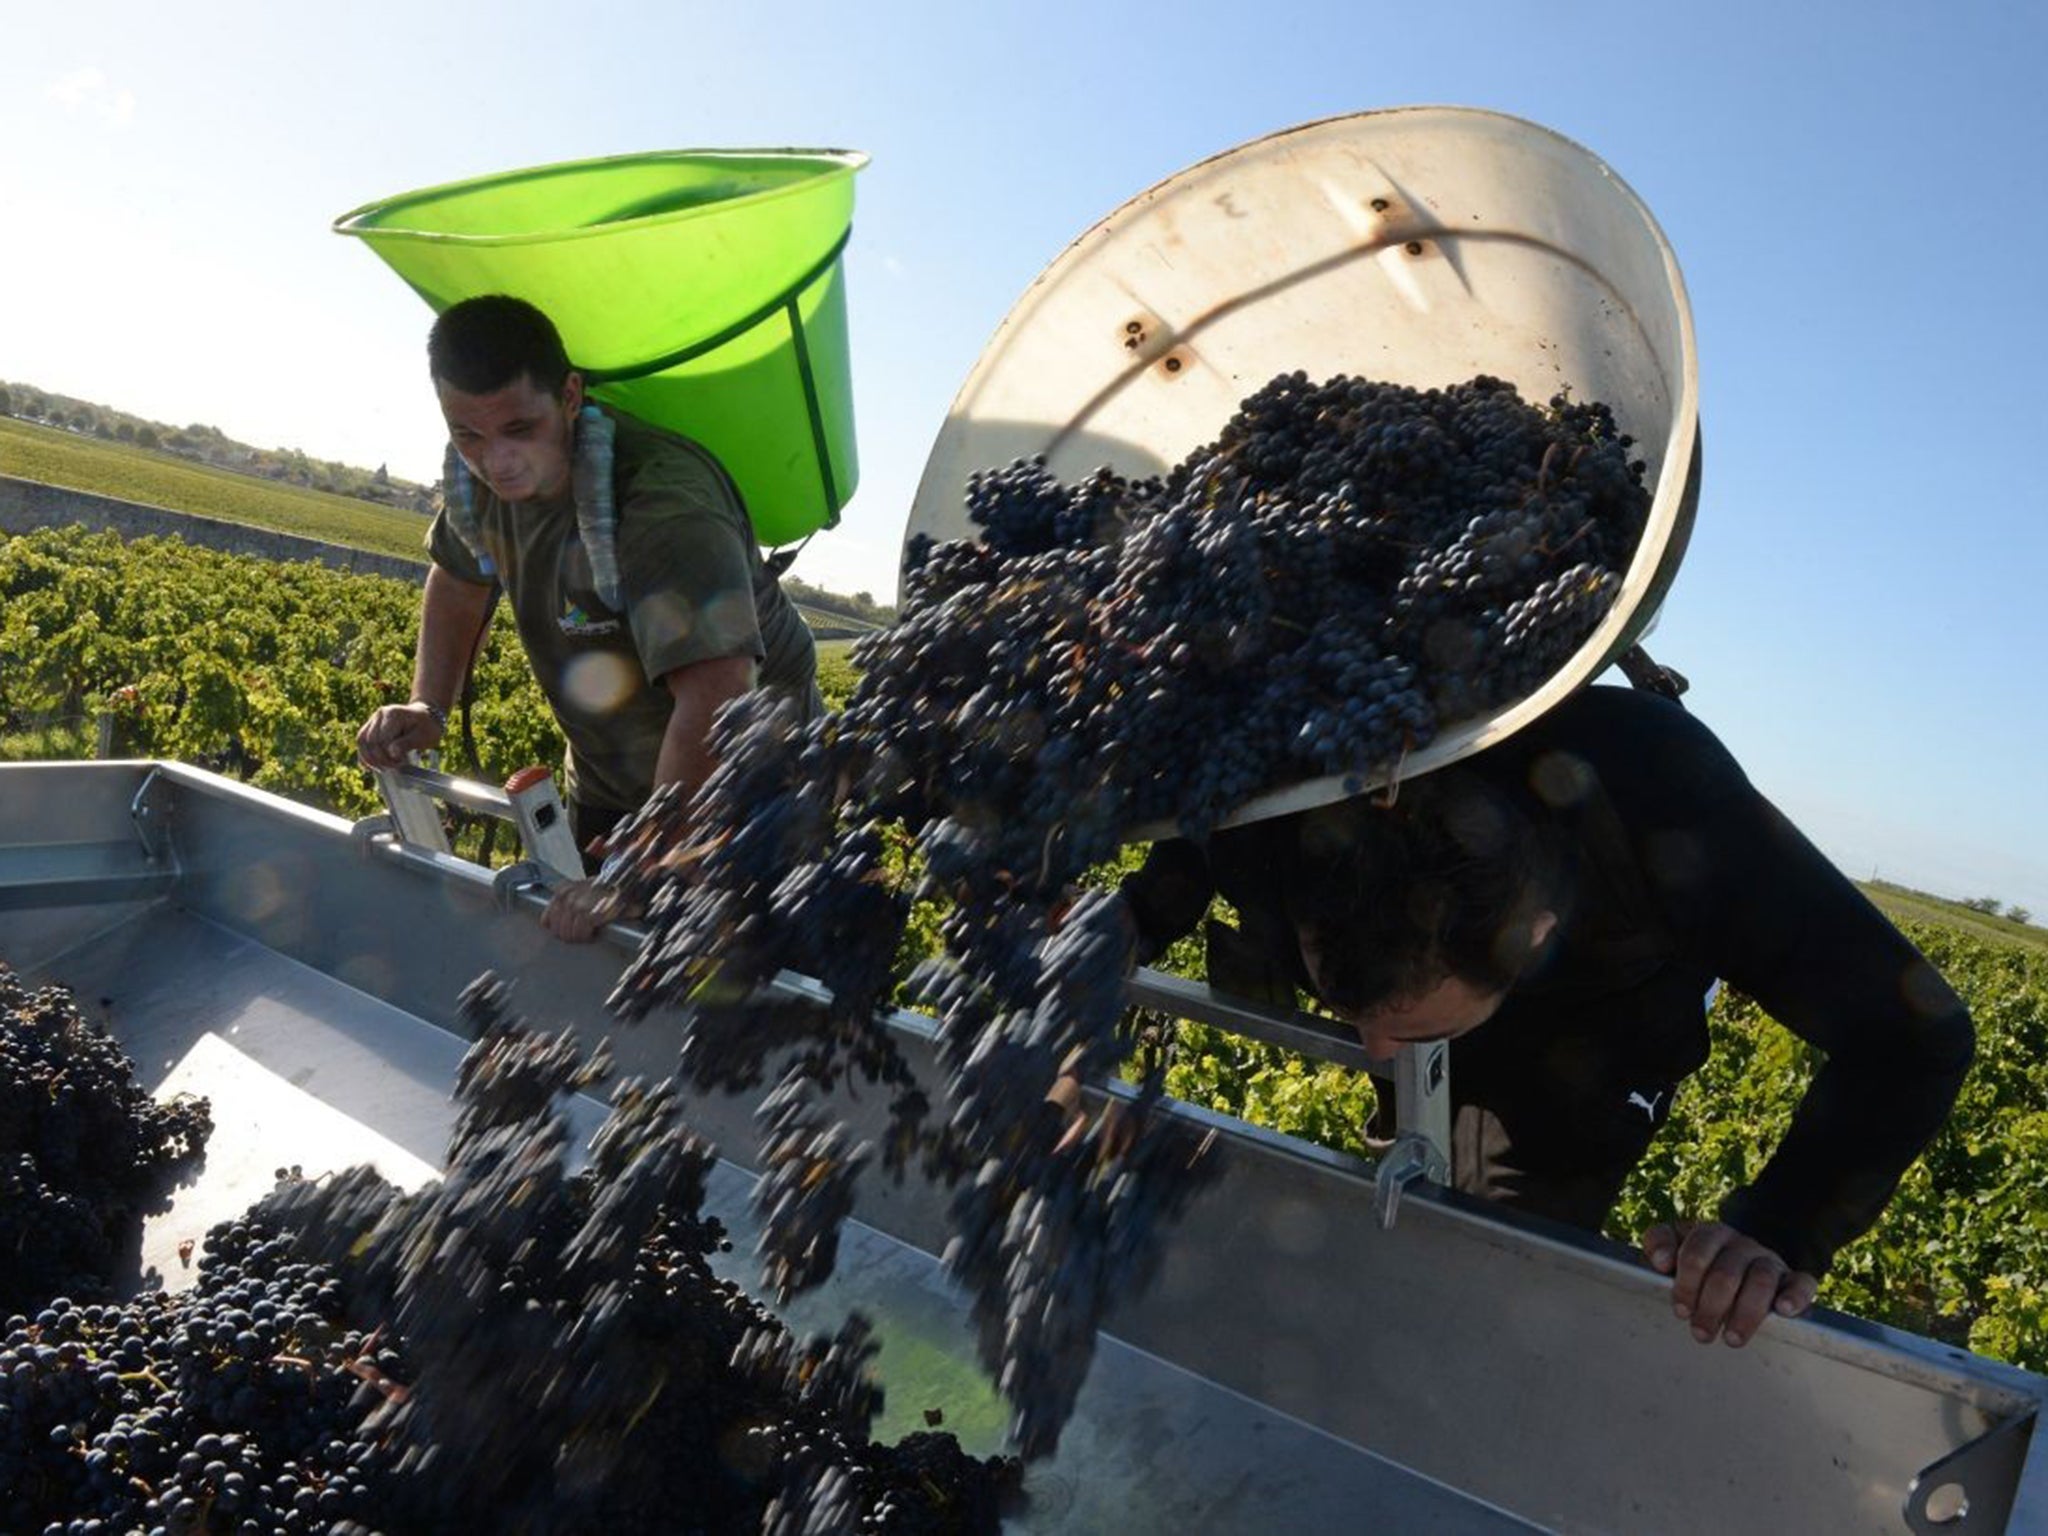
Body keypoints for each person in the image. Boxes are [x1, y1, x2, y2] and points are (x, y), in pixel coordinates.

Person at [1119, 683, 1974, 1350]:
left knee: (1496, 1271)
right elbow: (1202, 830)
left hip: (1594, 1038)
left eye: (1411, 1032)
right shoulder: (1296, 787)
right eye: (1352, 1015)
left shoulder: (1666, 797)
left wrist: (1779, 1229)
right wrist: (1128, 926)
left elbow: (1914, 1037)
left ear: (1533, 940)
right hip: (1346, 849)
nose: (1373, 1051)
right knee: (1407, 1191)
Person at [357, 295, 821, 941]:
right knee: (600, 958)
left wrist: (647, 871)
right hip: (613, 771)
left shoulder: (664, 506)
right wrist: (428, 706)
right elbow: (460, 579)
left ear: (570, 396)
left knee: (729, 981)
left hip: (751, 788)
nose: (498, 461)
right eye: (469, 434)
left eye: (520, 429)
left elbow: (720, 700)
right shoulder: (480, 490)